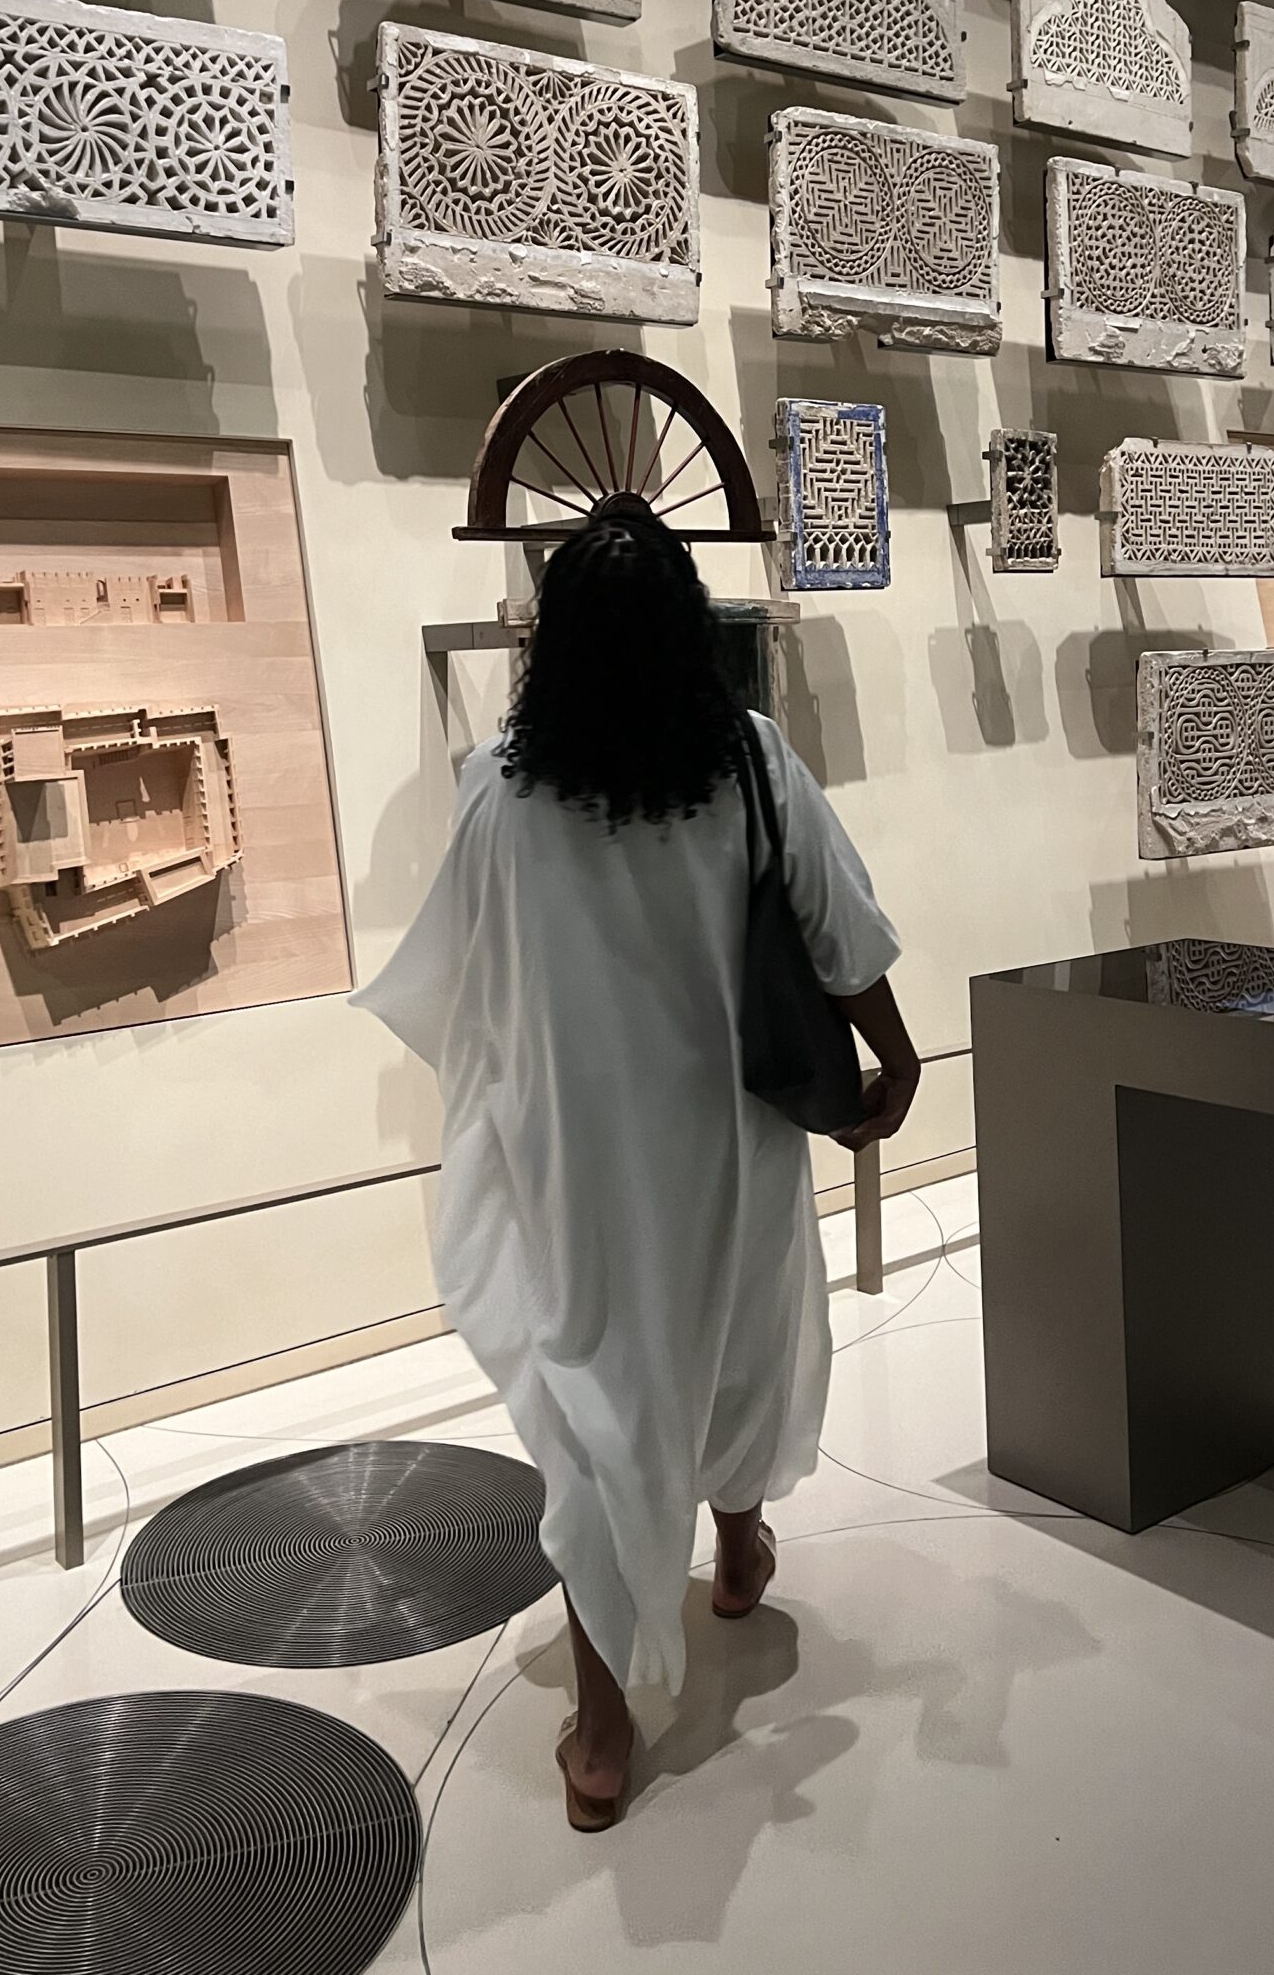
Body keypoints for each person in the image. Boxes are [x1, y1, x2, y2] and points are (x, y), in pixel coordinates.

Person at [353, 494, 918, 1829]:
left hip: (581, 1158)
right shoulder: (752, 761)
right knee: (736, 1335)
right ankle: (734, 1551)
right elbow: (840, 927)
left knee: (603, 1391)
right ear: (681, 628)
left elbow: (467, 991)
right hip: (731, 1134)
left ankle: (604, 1731)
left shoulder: (498, 790)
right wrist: (894, 1061)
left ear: (557, 645)